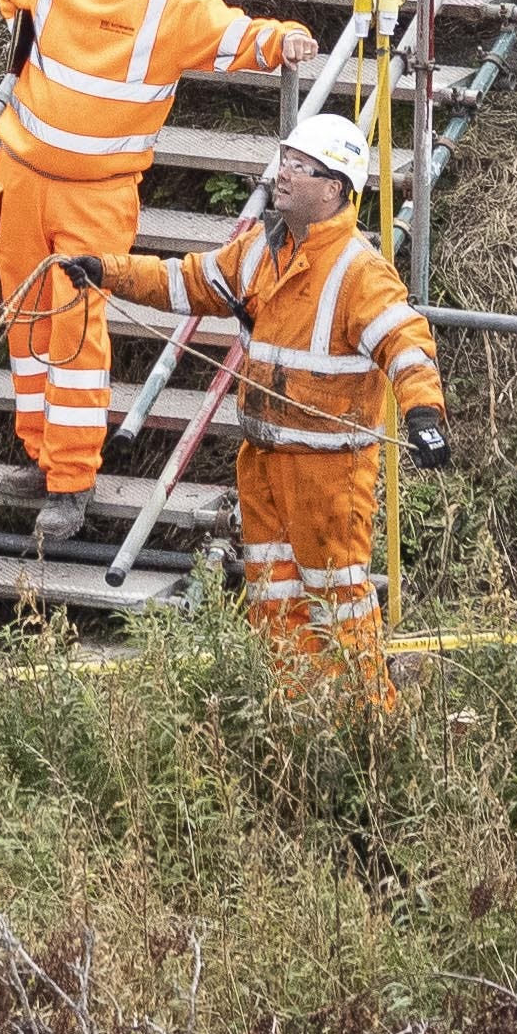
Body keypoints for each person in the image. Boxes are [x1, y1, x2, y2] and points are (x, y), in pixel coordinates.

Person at [0, 0, 306, 558]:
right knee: (25, 316)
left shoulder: (175, 8)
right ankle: (41, 454)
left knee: (74, 331)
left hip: (97, 197)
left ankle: (72, 481)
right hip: (21, 178)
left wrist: (288, 38)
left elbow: (240, 37)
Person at [123, 101, 448, 689]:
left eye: (301, 166)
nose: (283, 174)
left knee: (339, 601)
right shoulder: (260, 252)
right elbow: (187, 282)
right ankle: (296, 710)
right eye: (285, 160)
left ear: (334, 189)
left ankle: (369, 722)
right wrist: (106, 272)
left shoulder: (358, 271)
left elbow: (405, 343)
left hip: (330, 473)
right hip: (264, 462)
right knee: (272, 596)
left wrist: (424, 412)